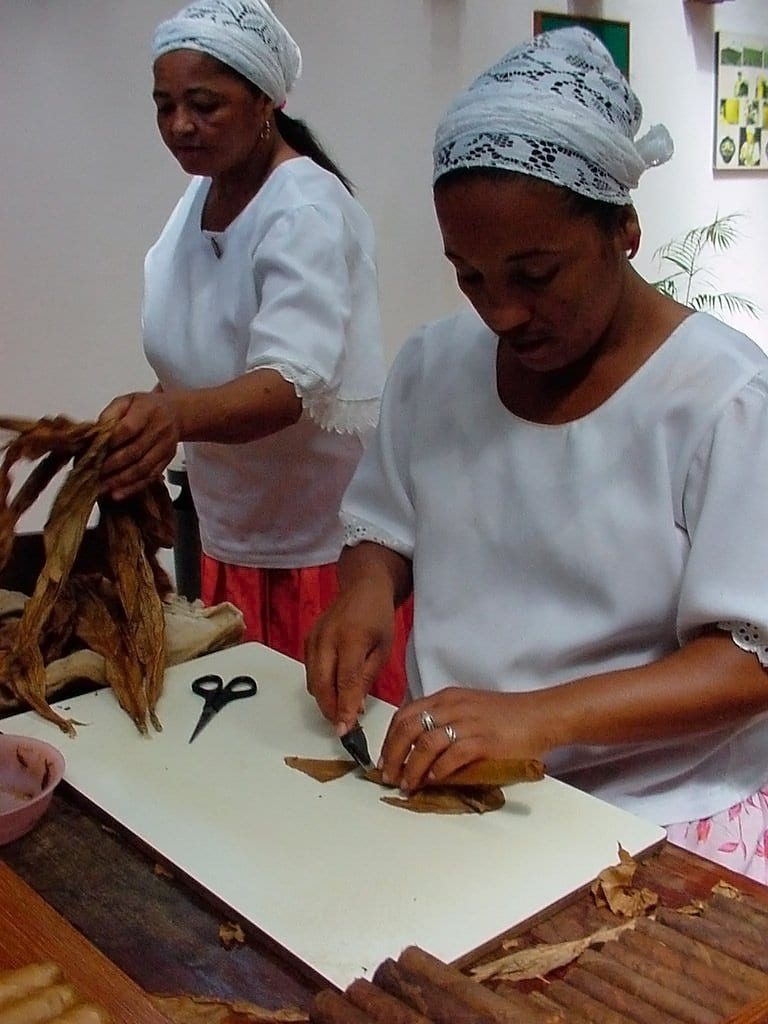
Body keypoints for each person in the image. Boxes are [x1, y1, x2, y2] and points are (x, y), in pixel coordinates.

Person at [306, 27, 768, 883]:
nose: (503, 313)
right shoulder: (433, 367)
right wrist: (366, 594)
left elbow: (748, 662)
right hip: (455, 781)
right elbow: (385, 525)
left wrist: (536, 719)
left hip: (659, 811)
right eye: (470, 276)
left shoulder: (724, 402)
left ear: (623, 228)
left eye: (536, 273)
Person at [98, 0, 408, 704]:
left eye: (204, 104)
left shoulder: (303, 210)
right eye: (165, 105)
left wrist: (168, 416)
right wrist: (149, 424)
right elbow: (192, 350)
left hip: (319, 551)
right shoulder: (197, 201)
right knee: (237, 733)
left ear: (265, 99)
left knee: (314, 737)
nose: (180, 125)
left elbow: (286, 387)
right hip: (228, 523)